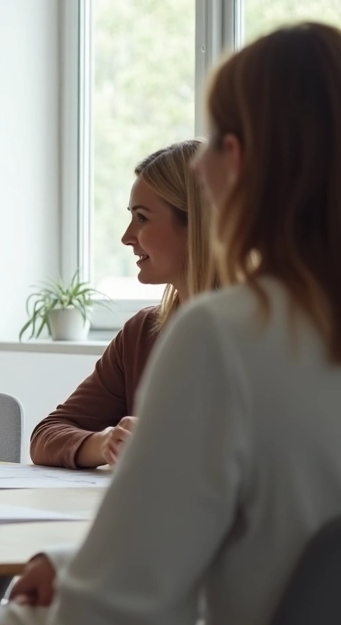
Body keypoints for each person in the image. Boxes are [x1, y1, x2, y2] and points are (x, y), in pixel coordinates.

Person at [0, 21, 341, 625]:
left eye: (214, 139)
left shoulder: (222, 336)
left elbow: (118, 613)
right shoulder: (201, 329)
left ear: (237, 162)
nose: (202, 160)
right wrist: (76, 559)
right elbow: (268, 548)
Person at [30, 139, 217, 468]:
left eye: (142, 219)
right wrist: (104, 443)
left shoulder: (269, 333)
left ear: (195, 225)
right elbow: (46, 435)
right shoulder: (142, 332)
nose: (127, 236)